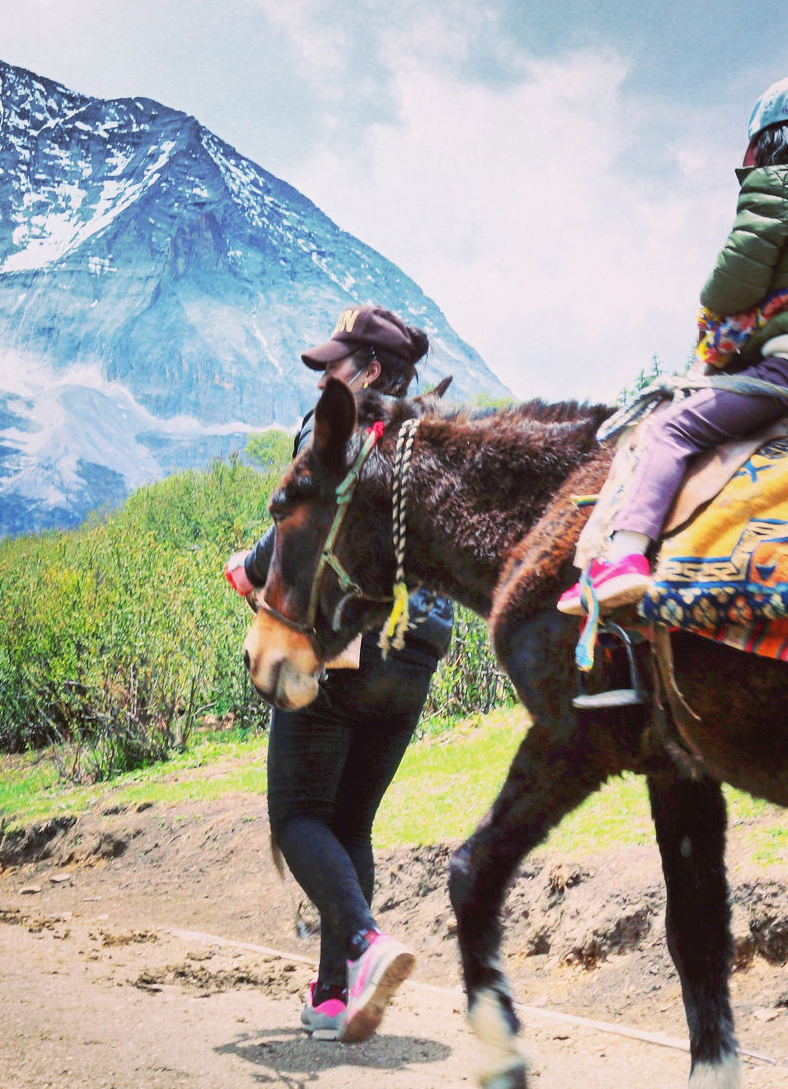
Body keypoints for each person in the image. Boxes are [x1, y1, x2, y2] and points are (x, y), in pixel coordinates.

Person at [574, 74, 788, 608]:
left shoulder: (774, 186)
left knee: (668, 430)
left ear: (772, 140)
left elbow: (731, 288)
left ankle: (625, 558)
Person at [224, 305, 453, 1043]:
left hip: (344, 643)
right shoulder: (425, 434)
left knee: (296, 815)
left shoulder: (338, 427)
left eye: (334, 365)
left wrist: (249, 565)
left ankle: (365, 942)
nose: (323, 376)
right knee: (351, 823)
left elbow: (306, 516)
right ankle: (332, 998)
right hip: (415, 654)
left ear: (370, 371)